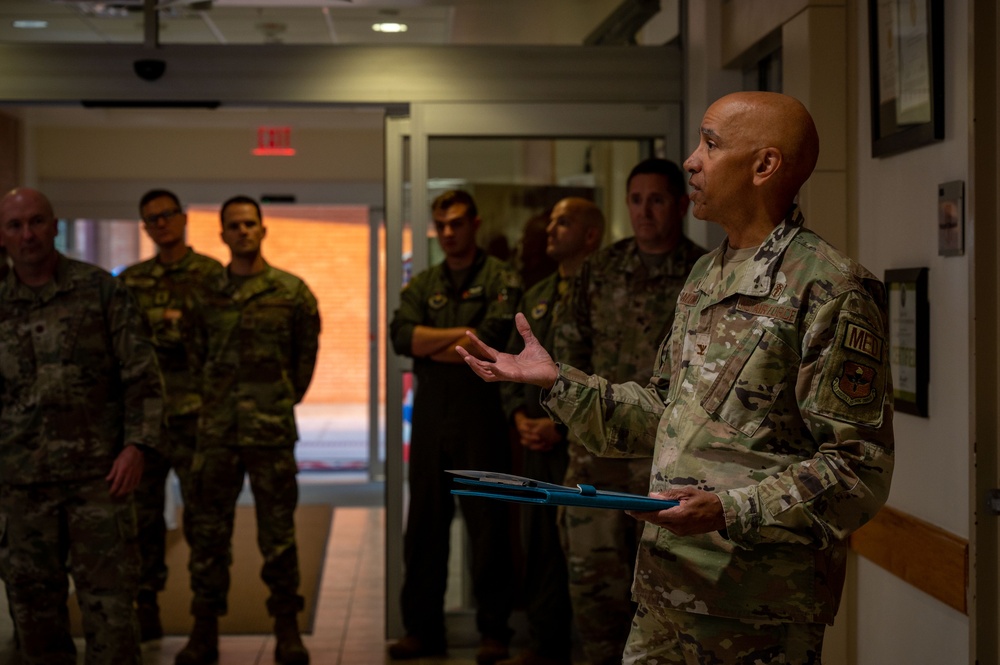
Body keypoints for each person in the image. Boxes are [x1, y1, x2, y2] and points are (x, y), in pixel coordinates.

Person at [456, 92, 895, 664]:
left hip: (751, 608)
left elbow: (858, 470)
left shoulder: (829, 288)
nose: (691, 160)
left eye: (710, 145)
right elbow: (665, 410)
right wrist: (557, 382)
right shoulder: (706, 274)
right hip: (666, 590)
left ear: (764, 166)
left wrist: (728, 509)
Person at [0, 187, 164, 665]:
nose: (27, 234)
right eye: (15, 225)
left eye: (36, 222)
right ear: (3, 237)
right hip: (21, 491)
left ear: (55, 226)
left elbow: (143, 377)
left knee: (111, 616)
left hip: (100, 484)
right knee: (35, 620)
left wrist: (137, 447)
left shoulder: (101, 291)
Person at [554, 158, 705, 665]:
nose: (645, 211)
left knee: (665, 603)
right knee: (594, 596)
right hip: (595, 460)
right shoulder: (598, 270)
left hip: (670, 466)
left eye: (657, 199)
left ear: (681, 205)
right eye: (636, 200)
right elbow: (568, 352)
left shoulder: (704, 274)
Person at [176, 195, 320, 665]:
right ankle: (204, 631)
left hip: (270, 433)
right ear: (221, 234)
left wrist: (275, 402)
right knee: (208, 534)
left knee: (278, 537)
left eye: (250, 224)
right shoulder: (203, 295)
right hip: (215, 433)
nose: (242, 232)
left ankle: (286, 630)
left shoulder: (291, 293)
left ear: (263, 229)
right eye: (233, 226)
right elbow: (193, 357)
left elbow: (303, 364)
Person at [388, 190, 521, 664]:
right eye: (441, 224)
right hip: (430, 415)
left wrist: (438, 342)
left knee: (488, 527)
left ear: (475, 224)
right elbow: (403, 336)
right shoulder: (423, 283)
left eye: (457, 223)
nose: (448, 232)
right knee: (423, 526)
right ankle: (421, 630)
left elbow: (493, 344)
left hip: (480, 413)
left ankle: (494, 631)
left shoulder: (500, 279)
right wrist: (463, 335)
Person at [498, 197, 604, 665]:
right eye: (552, 220)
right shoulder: (537, 294)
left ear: (590, 235)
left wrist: (561, 427)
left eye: (565, 222)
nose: (551, 229)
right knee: (538, 544)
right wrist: (518, 418)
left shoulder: (604, 294)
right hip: (536, 443)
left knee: (585, 549)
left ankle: (593, 648)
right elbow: (508, 360)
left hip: (585, 445)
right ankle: (544, 645)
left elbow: (605, 371)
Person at [120, 189, 224, 642]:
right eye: (151, 220)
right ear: (145, 228)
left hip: (199, 418)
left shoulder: (211, 276)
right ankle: (146, 606)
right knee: (141, 522)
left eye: (166, 216)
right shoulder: (131, 282)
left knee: (205, 521)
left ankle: (205, 619)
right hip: (146, 423)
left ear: (183, 219)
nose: (160, 224)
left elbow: (224, 347)